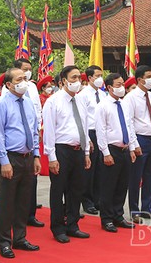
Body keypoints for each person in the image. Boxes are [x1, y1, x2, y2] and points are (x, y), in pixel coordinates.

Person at [0, 67, 41, 258]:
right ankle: (4, 241)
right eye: (19, 79)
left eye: (25, 79)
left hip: (27, 157)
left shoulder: (28, 102)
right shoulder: (1, 104)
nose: (24, 82)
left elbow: (34, 130)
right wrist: (3, 161)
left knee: (23, 201)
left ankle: (20, 238)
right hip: (10, 157)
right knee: (7, 202)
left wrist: (36, 155)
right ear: (9, 84)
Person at [43, 65, 91, 243]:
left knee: (76, 190)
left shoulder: (80, 100)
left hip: (78, 150)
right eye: (73, 78)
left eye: (79, 78)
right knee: (58, 190)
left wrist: (86, 152)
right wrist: (52, 157)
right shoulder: (53, 101)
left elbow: (84, 127)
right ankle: (57, 228)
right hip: (61, 150)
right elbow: (49, 131)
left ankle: (73, 224)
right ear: (63, 81)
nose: (77, 81)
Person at [96, 73, 137, 233]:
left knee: (122, 184)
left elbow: (129, 126)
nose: (121, 88)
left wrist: (132, 147)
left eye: (122, 84)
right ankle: (106, 218)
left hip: (125, 148)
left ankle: (118, 215)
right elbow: (101, 130)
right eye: (118, 85)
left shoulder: (124, 104)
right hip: (111, 149)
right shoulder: (103, 105)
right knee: (108, 185)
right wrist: (105, 152)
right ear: (109, 87)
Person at [126, 66, 151, 224]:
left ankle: (147, 208)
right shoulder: (131, 97)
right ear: (140, 79)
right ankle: (134, 210)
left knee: (150, 176)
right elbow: (129, 122)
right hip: (140, 139)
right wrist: (133, 144)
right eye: (148, 76)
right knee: (136, 177)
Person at [79, 65, 104, 215]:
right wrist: (87, 139)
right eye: (97, 76)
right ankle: (86, 201)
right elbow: (83, 119)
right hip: (90, 133)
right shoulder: (83, 95)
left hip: (101, 133)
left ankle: (97, 199)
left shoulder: (103, 95)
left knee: (100, 169)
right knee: (89, 169)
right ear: (89, 78)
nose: (100, 78)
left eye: (102, 75)